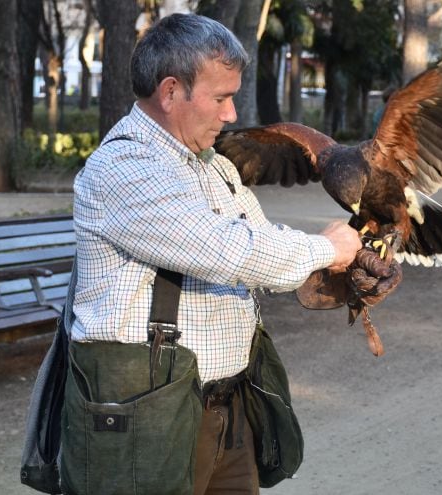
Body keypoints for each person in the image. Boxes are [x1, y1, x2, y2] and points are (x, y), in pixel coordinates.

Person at [68, 13, 384, 495]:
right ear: (170, 92)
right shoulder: (123, 166)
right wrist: (326, 246)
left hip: (228, 410)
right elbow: (226, 251)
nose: (232, 114)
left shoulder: (215, 168)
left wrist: (344, 274)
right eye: (220, 98)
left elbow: (260, 257)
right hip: (145, 419)